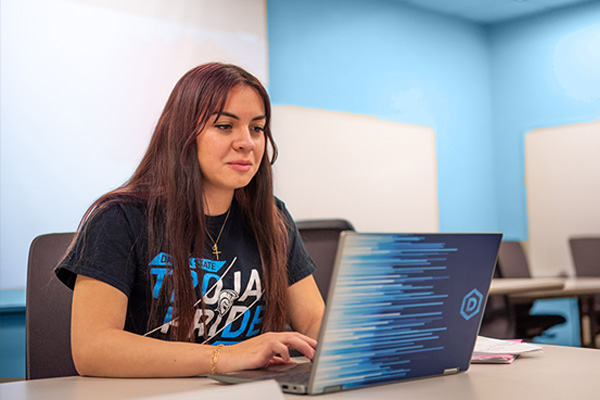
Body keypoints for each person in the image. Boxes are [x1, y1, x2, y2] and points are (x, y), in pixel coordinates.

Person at [55, 62, 325, 377]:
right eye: (225, 126)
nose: (247, 142)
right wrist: (224, 357)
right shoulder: (118, 219)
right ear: (183, 133)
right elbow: (92, 348)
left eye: (257, 128)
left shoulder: (272, 218)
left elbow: (313, 321)